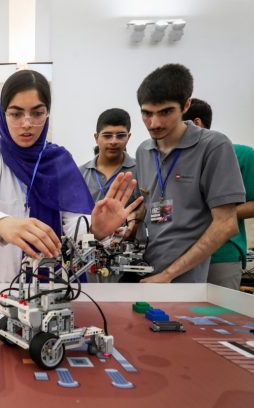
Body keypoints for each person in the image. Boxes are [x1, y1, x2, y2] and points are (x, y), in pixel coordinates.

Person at [0, 69, 142, 283]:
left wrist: (94, 228)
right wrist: (3, 224)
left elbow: (71, 223)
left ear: (47, 114)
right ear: (3, 114)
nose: (27, 123)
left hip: (49, 284)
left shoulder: (58, 162)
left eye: (37, 113)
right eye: (16, 114)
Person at [134, 64, 244, 283]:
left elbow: (226, 224)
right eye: (147, 113)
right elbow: (151, 210)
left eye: (165, 112)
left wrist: (166, 275)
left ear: (186, 105)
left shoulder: (213, 146)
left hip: (186, 279)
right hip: (147, 271)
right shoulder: (143, 151)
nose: (154, 123)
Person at [183, 98, 254, 290]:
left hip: (222, 255)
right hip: (179, 255)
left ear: (196, 123)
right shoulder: (176, 161)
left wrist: (218, 214)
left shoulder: (242, 155)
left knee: (219, 318)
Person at [79, 108, 140, 282]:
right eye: (107, 135)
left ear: (129, 137)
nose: (114, 141)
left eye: (120, 135)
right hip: (87, 257)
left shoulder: (140, 170)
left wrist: (133, 220)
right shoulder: (80, 174)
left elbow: (145, 206)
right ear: (96, 137)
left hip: (127, 260)